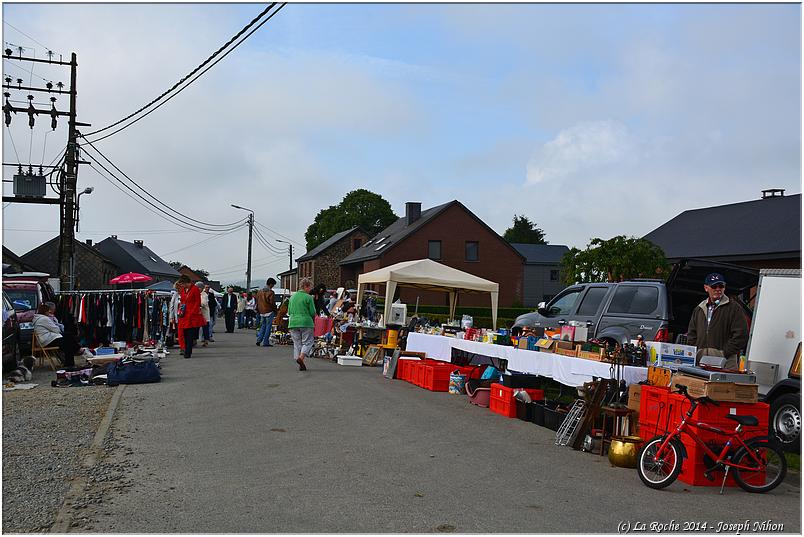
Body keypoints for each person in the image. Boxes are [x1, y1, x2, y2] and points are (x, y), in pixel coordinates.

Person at [687, 272, 749, 370]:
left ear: (724, 287)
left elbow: (742, 334)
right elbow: (691, 334)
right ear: (706, 288)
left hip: (726, 364)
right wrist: (697, 352)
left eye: (721, 286)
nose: (718, 289)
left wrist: (724, 353)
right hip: (701, 362)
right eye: (714, 286)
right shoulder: (699, 309)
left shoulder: (734, 308)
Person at [32, 302, 79, 368]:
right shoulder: (44, 319)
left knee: (68, 337)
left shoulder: (38, 318)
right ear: (45, 311)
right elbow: (57, 329)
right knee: (68, 342)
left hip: (46, 339)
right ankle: (73, 356)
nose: (50, 312)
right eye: (48, 311)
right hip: (46, 340)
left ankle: (72, 358)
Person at [288, 277, 316, 371]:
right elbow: (312, 312)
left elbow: (289, 311)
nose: (310, 290)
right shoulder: (308, 297)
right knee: (308, 342)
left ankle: (300, 361)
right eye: (310, 288)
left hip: (293, 322)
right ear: (306, 287)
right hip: (305, 321)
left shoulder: (292, 297)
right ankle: (301, 358)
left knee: (297, 343)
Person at [177, 275, 206, 358]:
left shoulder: (195, 289)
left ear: (186, 282)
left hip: (192, 316)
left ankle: (188, 352)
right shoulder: (183, 290)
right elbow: (182, 301)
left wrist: (192, 312)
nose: (181, 286)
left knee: (190, 335)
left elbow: (197, 302)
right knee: (184, 334)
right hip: (184, 315)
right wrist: (180, 311)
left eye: (182, 284)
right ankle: (184, 348)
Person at [255, 278, 278, 347]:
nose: (273, 286)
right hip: (269, 311)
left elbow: (257, 301)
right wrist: (275, 310)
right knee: (268, 327)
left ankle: (259, 340)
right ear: (271, 284)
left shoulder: (259, 292)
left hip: (261, 311)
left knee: (263, 326)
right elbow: (272, 303)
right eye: (273, 285)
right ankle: (265, 342)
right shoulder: (271, 292)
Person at [196, 282, 211, 347]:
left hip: (204, 314)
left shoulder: (204, 295)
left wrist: (196, 303)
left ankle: (206, 341)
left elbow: (204, 303)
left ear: (201, 288)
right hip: (197, 314)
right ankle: (194, 340)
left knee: (205, 328)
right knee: (196, 328)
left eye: (198, 287)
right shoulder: (196, 294)